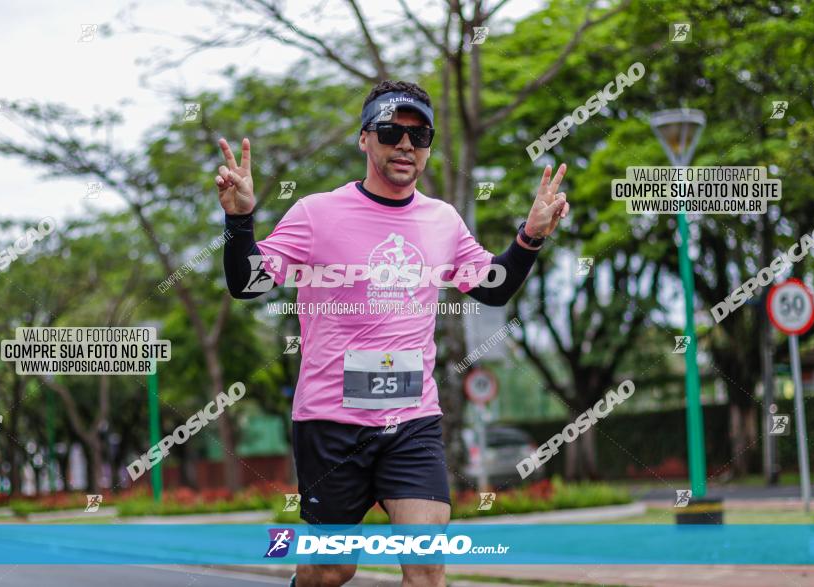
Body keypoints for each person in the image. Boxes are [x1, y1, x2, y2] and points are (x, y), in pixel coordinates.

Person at [217, 80, 569, 587]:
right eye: (391, 131)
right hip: (330, 423)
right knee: (331, 568)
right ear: (365, 139)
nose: (406, 145)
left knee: (426, 569)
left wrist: (530, 237)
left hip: (413, 421)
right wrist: (240, 220)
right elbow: (246, 284)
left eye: (419, 135)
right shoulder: (318, 213)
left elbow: (492, 288)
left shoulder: (442, 220)